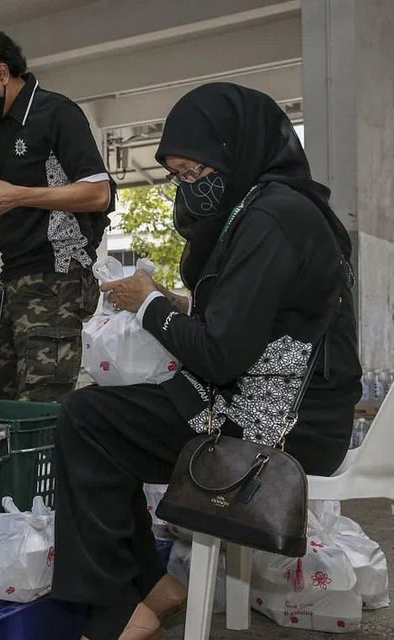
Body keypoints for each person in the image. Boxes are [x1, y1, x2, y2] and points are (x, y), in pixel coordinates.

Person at [51, 83, 362, 640]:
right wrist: (178, 305)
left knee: (87, 420)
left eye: (198, 174)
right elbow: (255, 320)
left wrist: (147, 304)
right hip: (272, 402)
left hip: (284, 426)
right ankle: (147, 588)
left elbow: (218, 356)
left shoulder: (273, 218)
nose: (189, 189)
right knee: (101, 414)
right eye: (180, 178)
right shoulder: (270, 208)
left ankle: (114, 611)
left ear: (235, 150)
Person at [0, 25, 115, 402]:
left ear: (0, 72)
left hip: (55, 277)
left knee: (40, 406)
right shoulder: (0, 129)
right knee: (8, 405)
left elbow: (98, 193)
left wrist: (16, 196)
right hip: (15, 279)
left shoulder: (57, 113)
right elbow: (17, 198)